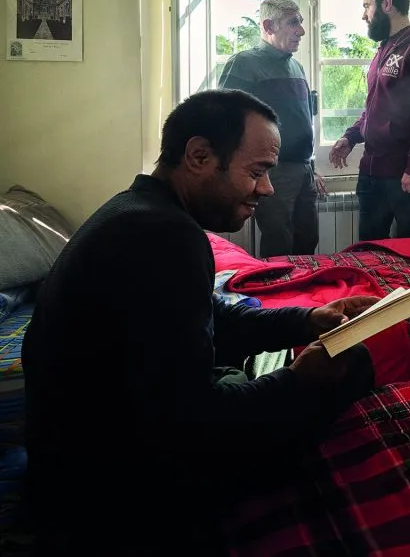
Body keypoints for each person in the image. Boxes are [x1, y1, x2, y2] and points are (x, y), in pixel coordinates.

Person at [22, 89, 378, 554]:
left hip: (74, 460)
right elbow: (192, 422)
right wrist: (297, 381)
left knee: (303, 361)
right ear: (199, 156)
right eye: (257, 171)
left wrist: (308, 319)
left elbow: (209, 318)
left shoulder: (136, 211)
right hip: (113, 489)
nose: (267, 189)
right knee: (352, 365)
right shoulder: (167, 237)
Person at [328, 0, 410, 240]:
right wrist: (350, 137)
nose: (364, 15)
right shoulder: (383, 50)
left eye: (367, 6)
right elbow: (374, 108)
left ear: (387, 4)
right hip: (372, 172)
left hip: (406, 176)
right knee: (369, 250)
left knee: (409, 252)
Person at [219, 0, 324, 257]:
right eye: (293, 23)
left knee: (308, 239)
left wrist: (312, 167)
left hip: (303, 170)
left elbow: (302, 122)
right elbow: (224, 120)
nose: (301, 31)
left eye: (300, 22)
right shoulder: (243, 64)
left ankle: (307, 286)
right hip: (272, 173)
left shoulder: (297, 67)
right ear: (268, 26)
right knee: (279, 242)